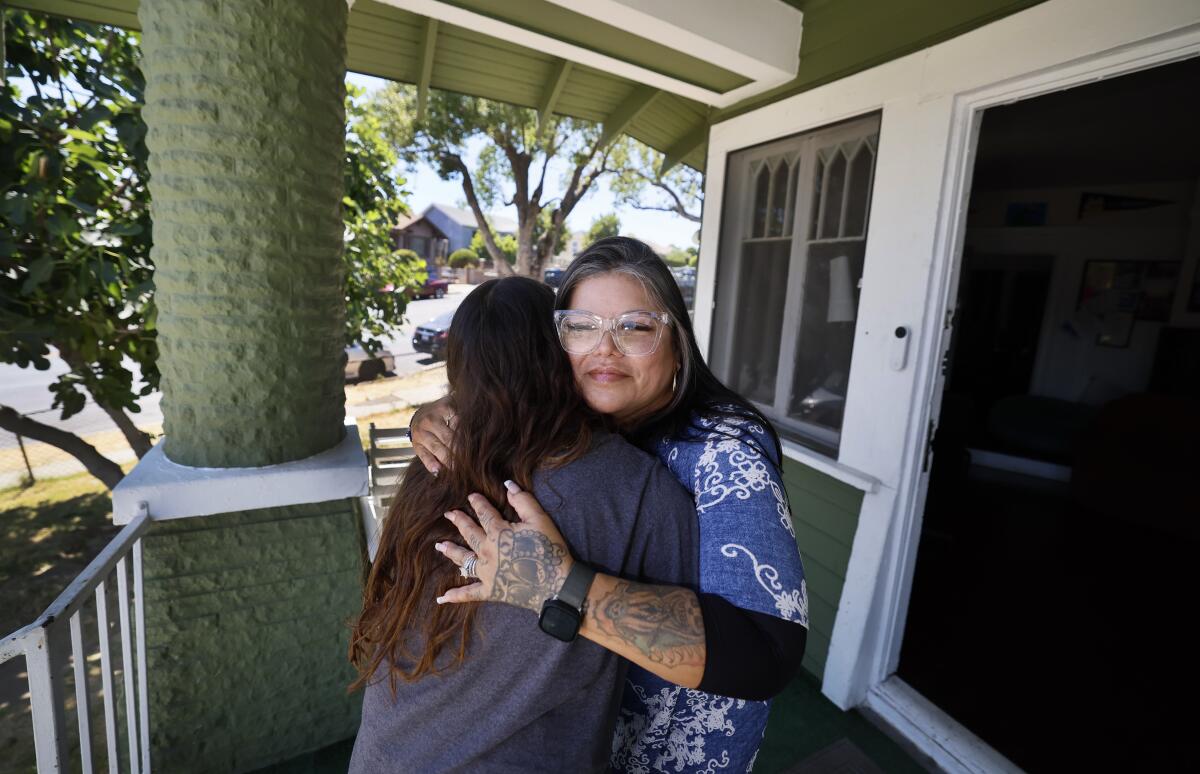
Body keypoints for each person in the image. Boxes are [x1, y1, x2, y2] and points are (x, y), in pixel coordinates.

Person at [418, 237, 809, 773]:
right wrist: (441, 410)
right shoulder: (591, 426)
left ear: (678, 343)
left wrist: (560, 586)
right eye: (581, 327)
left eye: (636, 327)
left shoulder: (723, 453)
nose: (606, 348)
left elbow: (766, 655)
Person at [347, 276, 699, 772]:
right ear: (559, 354)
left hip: (383, 753)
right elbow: (696, 648)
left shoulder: (430, 465)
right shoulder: (638, 489)